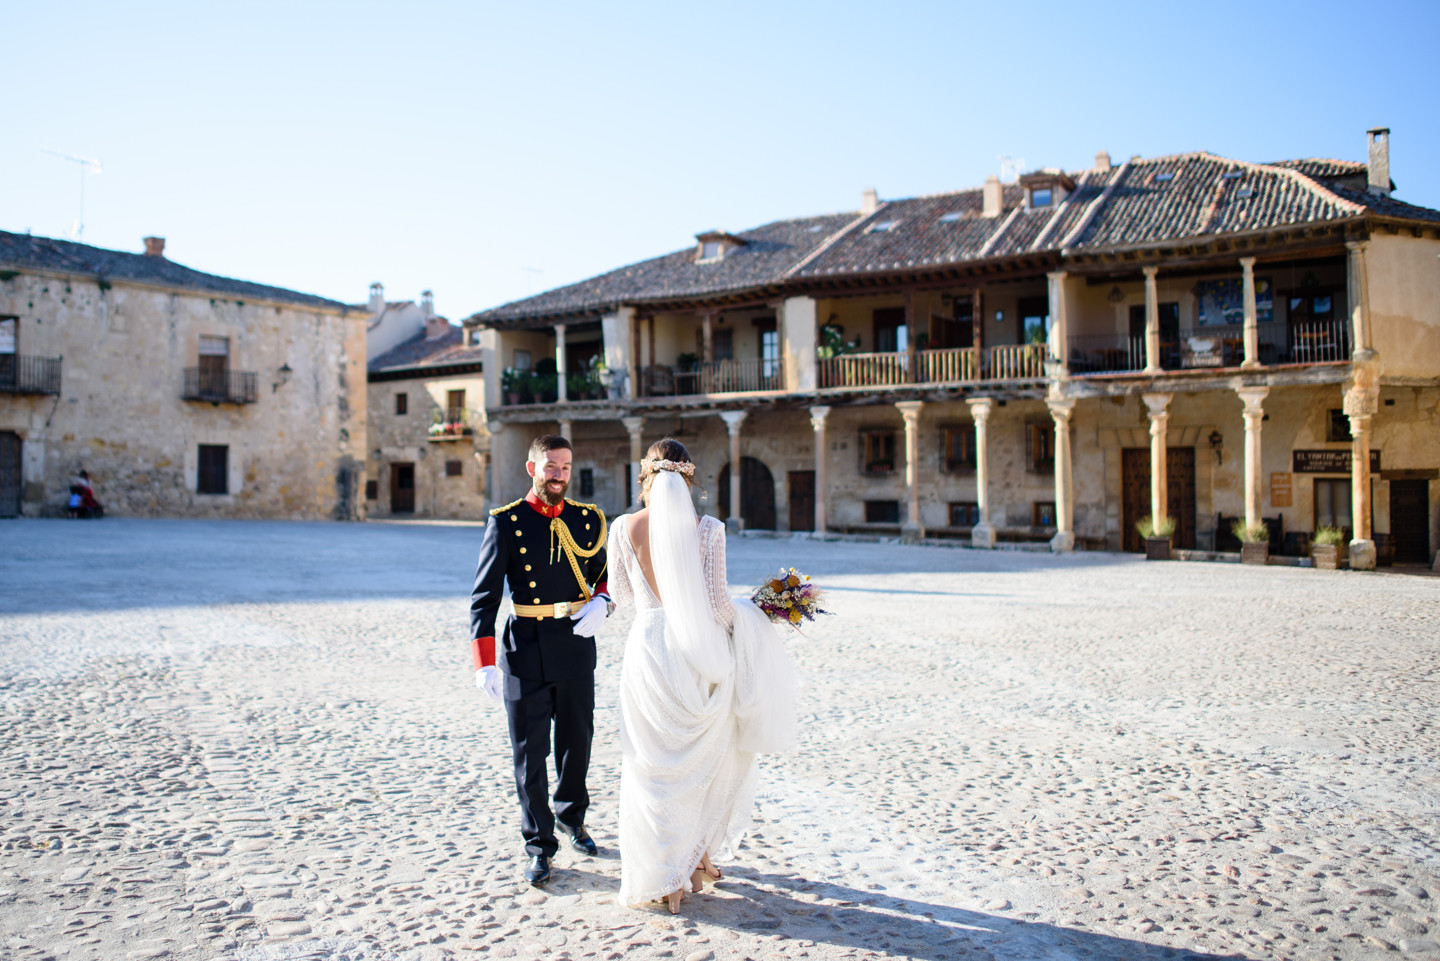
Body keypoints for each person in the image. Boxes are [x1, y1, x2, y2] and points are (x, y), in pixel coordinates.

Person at [606, 438, 798, 914]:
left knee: (651, 766)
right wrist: (756, 613)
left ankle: (668, 872)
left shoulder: (622, 527)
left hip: (647, 649)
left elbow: (622, 594)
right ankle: (693, 860)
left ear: (645, 477)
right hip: (694, 653)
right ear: (689, 479)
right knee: (701, 759)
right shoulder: (709, 529)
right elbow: (716, 606)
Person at [469, 435, 612, 886]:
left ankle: (572, 817)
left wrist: (604, 604)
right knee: (530, 754)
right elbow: (484, 597)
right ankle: (539, 845)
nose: (559, 475)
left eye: (566, 467)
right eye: (551, 466)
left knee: (577, 744)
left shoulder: (587, 520)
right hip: (524, 649)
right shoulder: (506, 522)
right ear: (532, 468)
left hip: (573, 643)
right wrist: (484, 661)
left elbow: (605, 575)